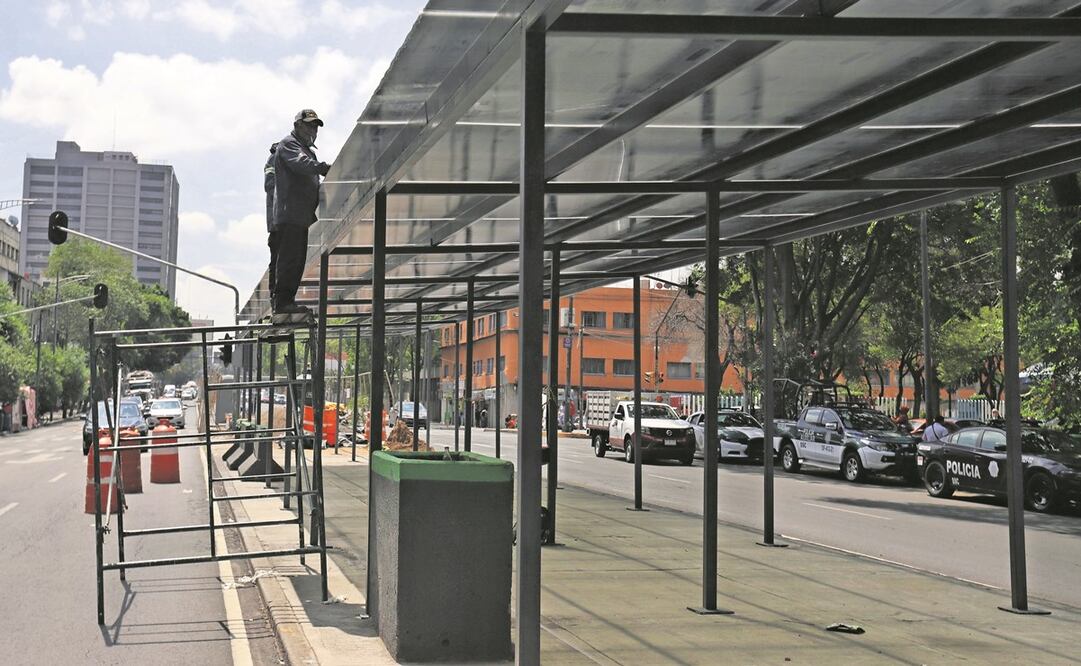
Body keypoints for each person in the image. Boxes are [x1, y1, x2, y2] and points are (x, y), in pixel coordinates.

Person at [271, 109, 331, 315]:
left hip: (300, 216)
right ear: (297, 125)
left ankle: (288, 302)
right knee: (289, 260)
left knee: (297, 261)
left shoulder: (306, 149)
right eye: (308, 125)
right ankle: (283, 303)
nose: (312, 130)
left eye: (315, 126)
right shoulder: (289, 144)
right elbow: (300, 164)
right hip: (290, 214)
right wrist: (323, 168)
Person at [263, 142, 279, 304]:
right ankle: (276, 298)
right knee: (279, 261)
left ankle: (277, 298)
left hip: (281, 220)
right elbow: (270, 185)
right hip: (278, 222)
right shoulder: (274, 160)